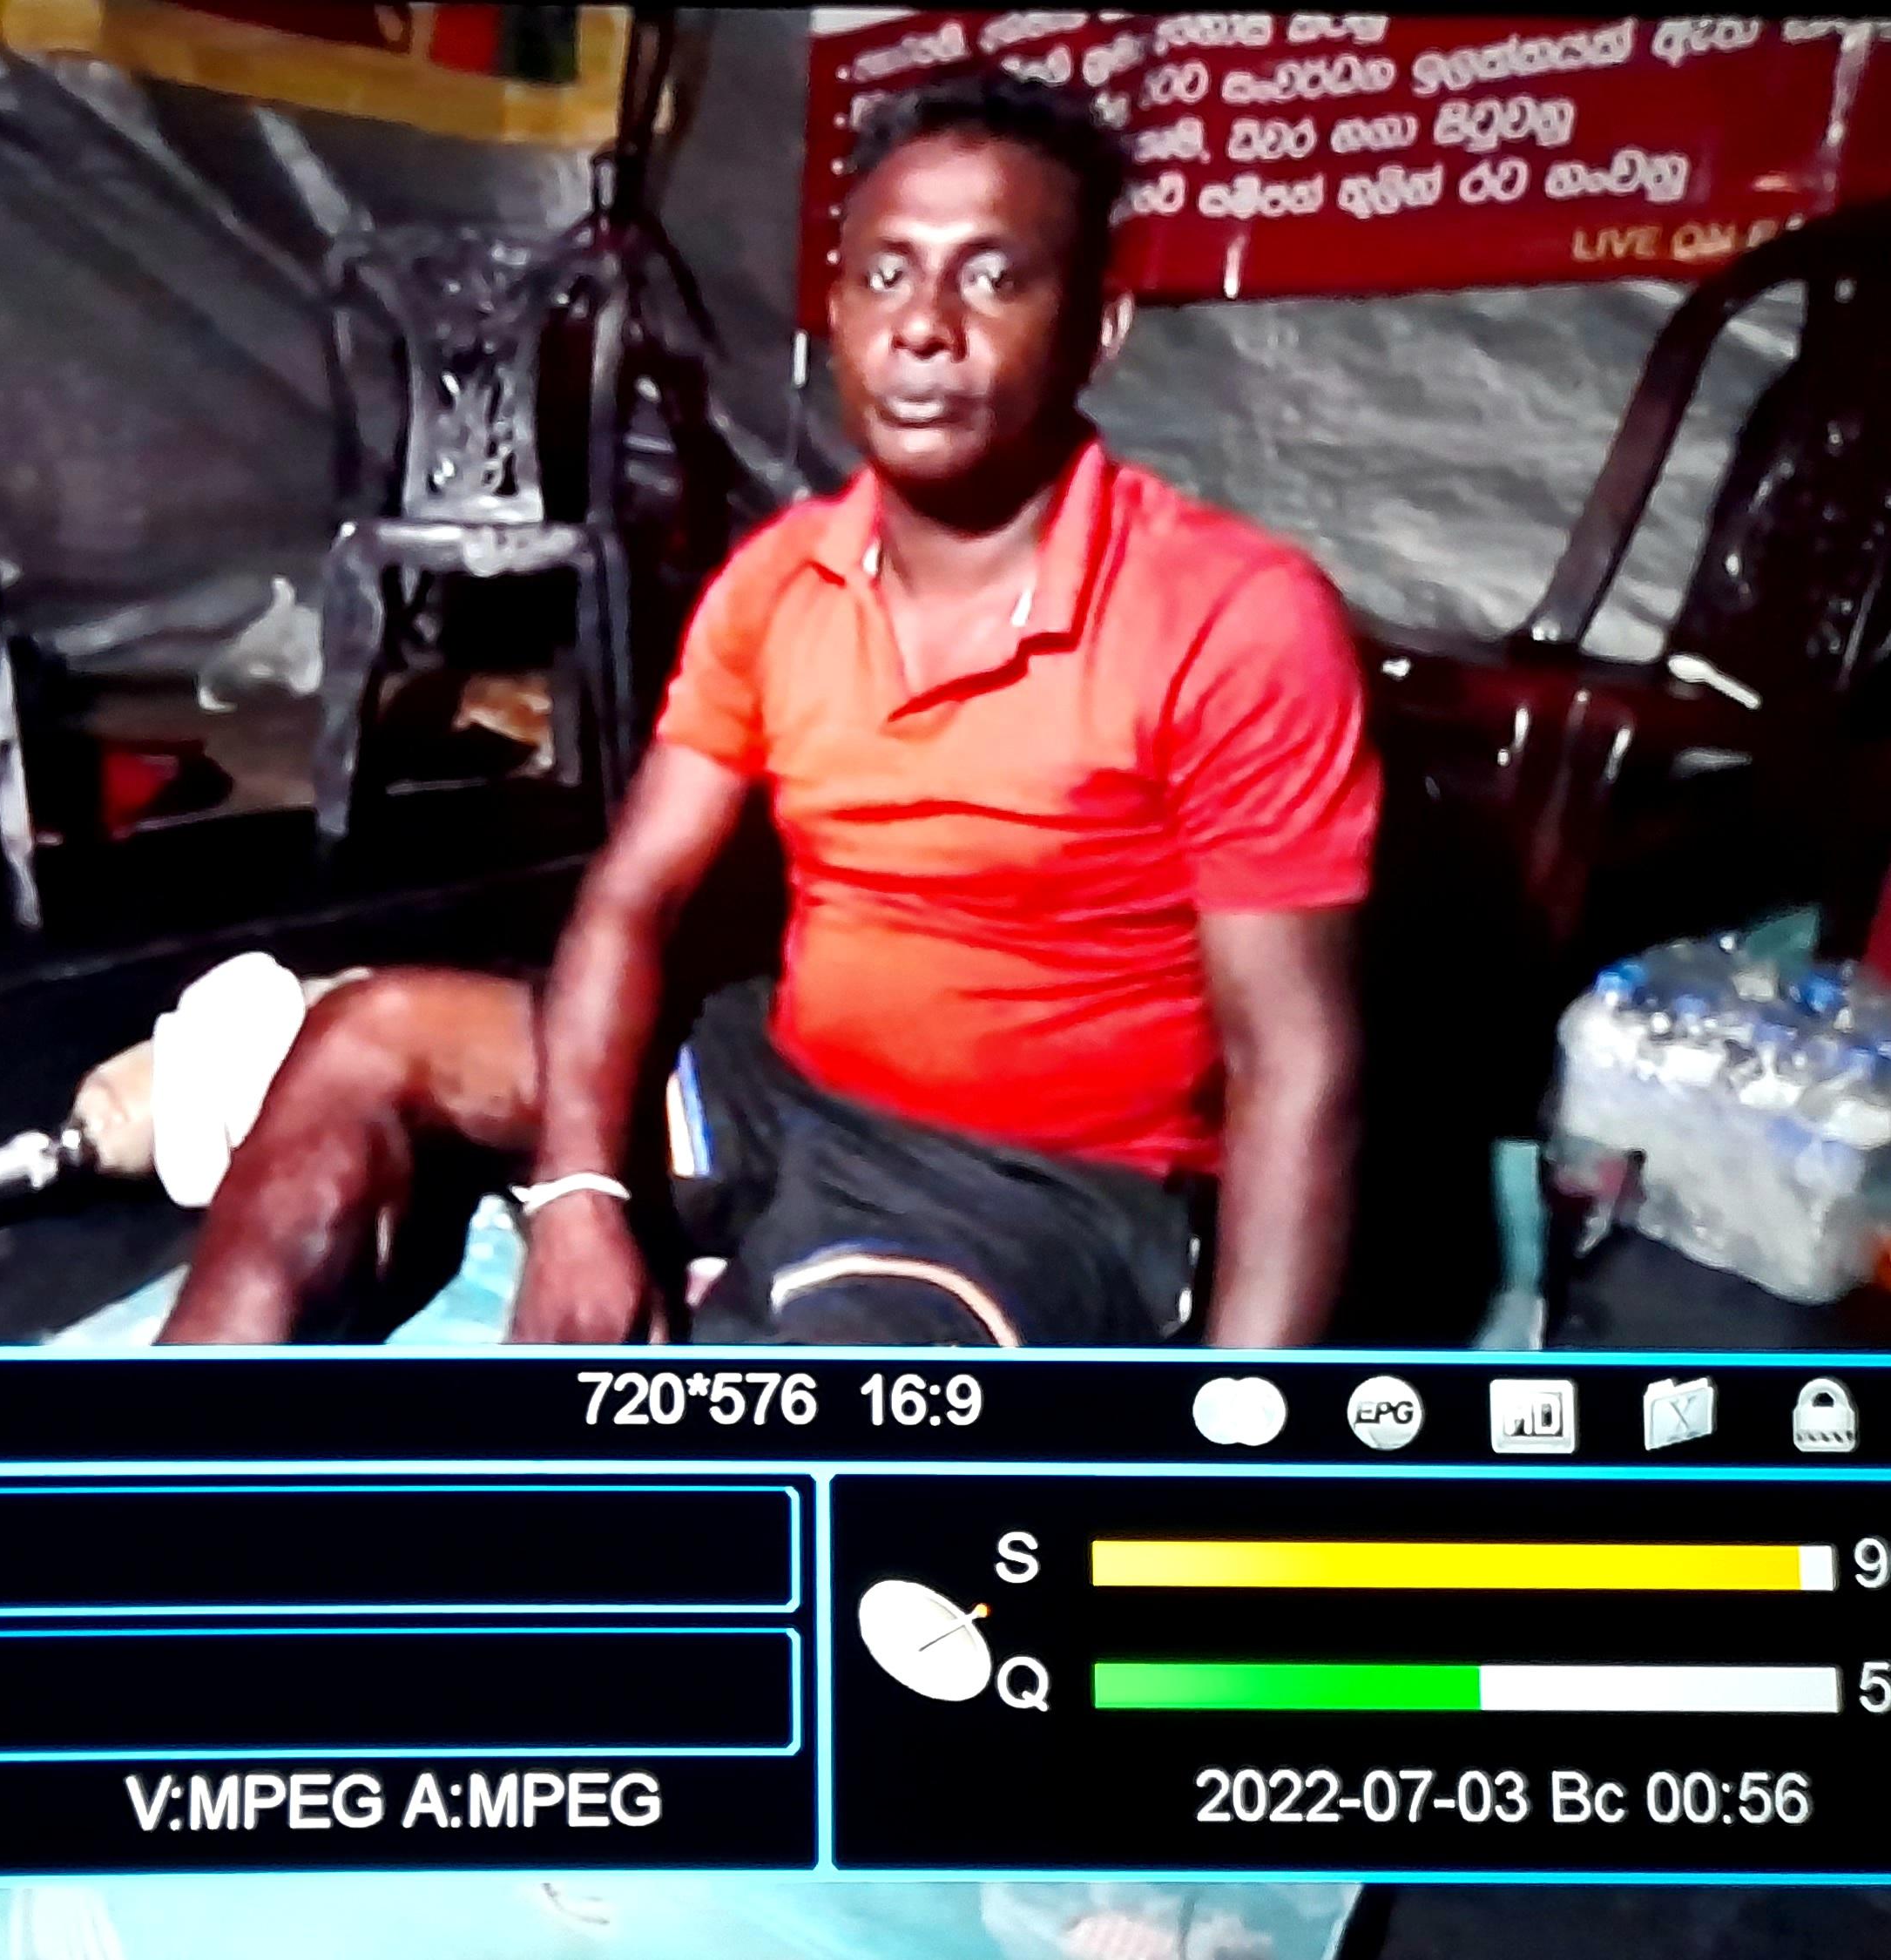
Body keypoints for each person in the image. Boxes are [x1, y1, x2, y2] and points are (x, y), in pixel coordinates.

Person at [164, 71, 1376, 1350]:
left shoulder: (1232, 617)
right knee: (363, 1033)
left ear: (1097, 329)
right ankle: (154, 1439)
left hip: (1025, 1183)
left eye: (992, 278)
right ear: (839, 310)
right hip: (777, 1083)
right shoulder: (781, 578)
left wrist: (1238, 1431)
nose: (925, 327)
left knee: (779, 1413)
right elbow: (632, 898)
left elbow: (1296, 1066)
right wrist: (578, 1198)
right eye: (886, 275)